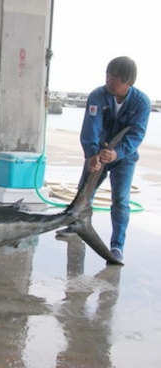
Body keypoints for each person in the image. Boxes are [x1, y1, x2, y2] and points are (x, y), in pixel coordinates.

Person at [57, 56, 151, 263]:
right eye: (108, 75)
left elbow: (137, 134)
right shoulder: (97, 96)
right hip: (97, 154)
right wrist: (91, 155)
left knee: (120, 200)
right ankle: (77, 226)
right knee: (84, 194)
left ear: (129, 82)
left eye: (115, 78)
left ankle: (117, 245)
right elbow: (91, 127)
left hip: (123, 159)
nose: (109, 80)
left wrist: (118, 153)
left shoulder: (142, 102)